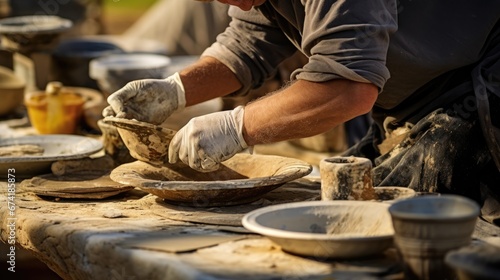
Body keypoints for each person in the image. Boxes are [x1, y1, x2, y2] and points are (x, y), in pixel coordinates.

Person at [104, 0, 500, 221]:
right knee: (342, 205)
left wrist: (235, 126)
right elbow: (249, 43)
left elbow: (349, 88)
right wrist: (174, 91)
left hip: (479, 92)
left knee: (420, 235)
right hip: (411, 100)